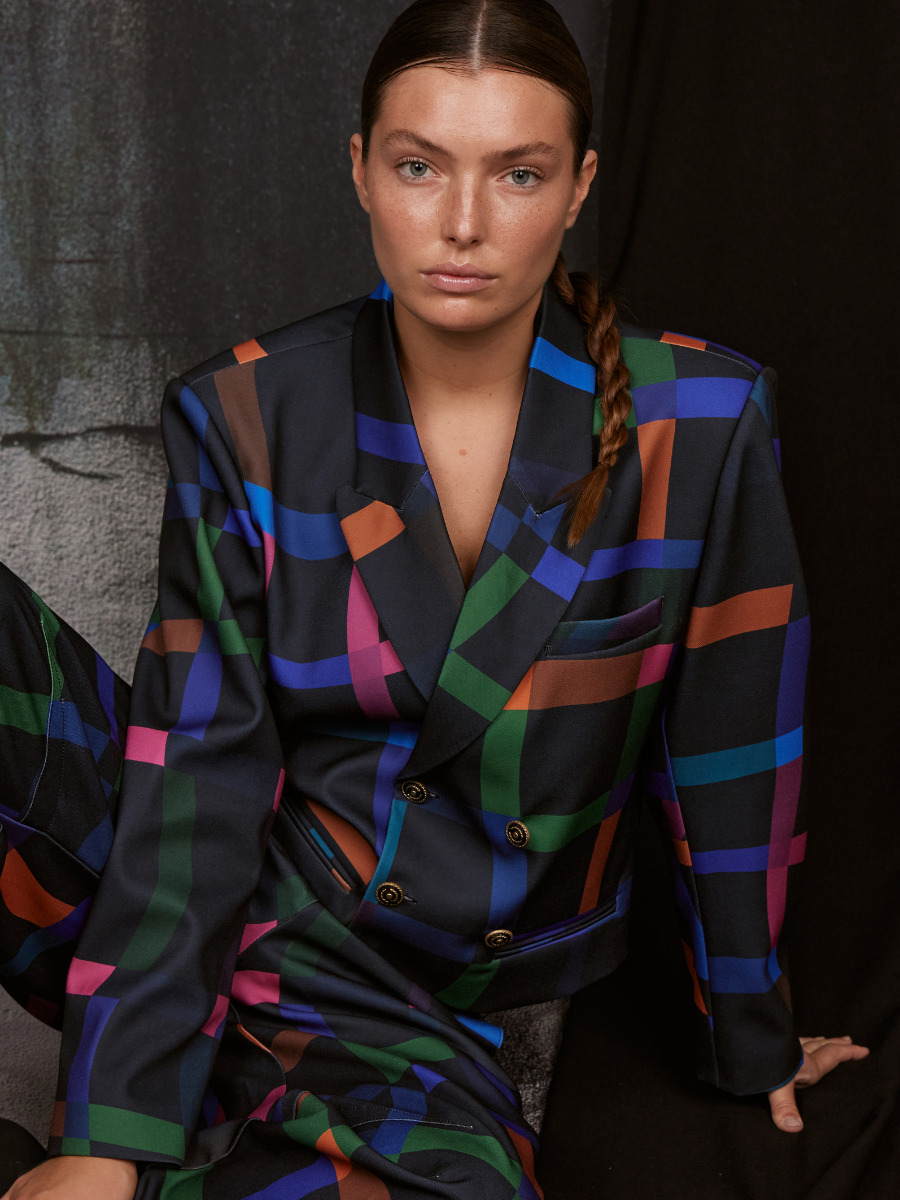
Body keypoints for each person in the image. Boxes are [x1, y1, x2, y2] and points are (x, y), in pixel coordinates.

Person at [0, 1, 869, 1197]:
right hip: (207, 880)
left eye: (518, 173)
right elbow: (200, 769)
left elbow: (732, 761)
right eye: (420, 167)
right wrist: (106, 1135)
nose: (462, 223)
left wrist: (750, 1037)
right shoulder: (246, 409)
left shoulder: (704, 422)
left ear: (578, 187)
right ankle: (154, 1099)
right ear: (362, 171)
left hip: (397, 991)